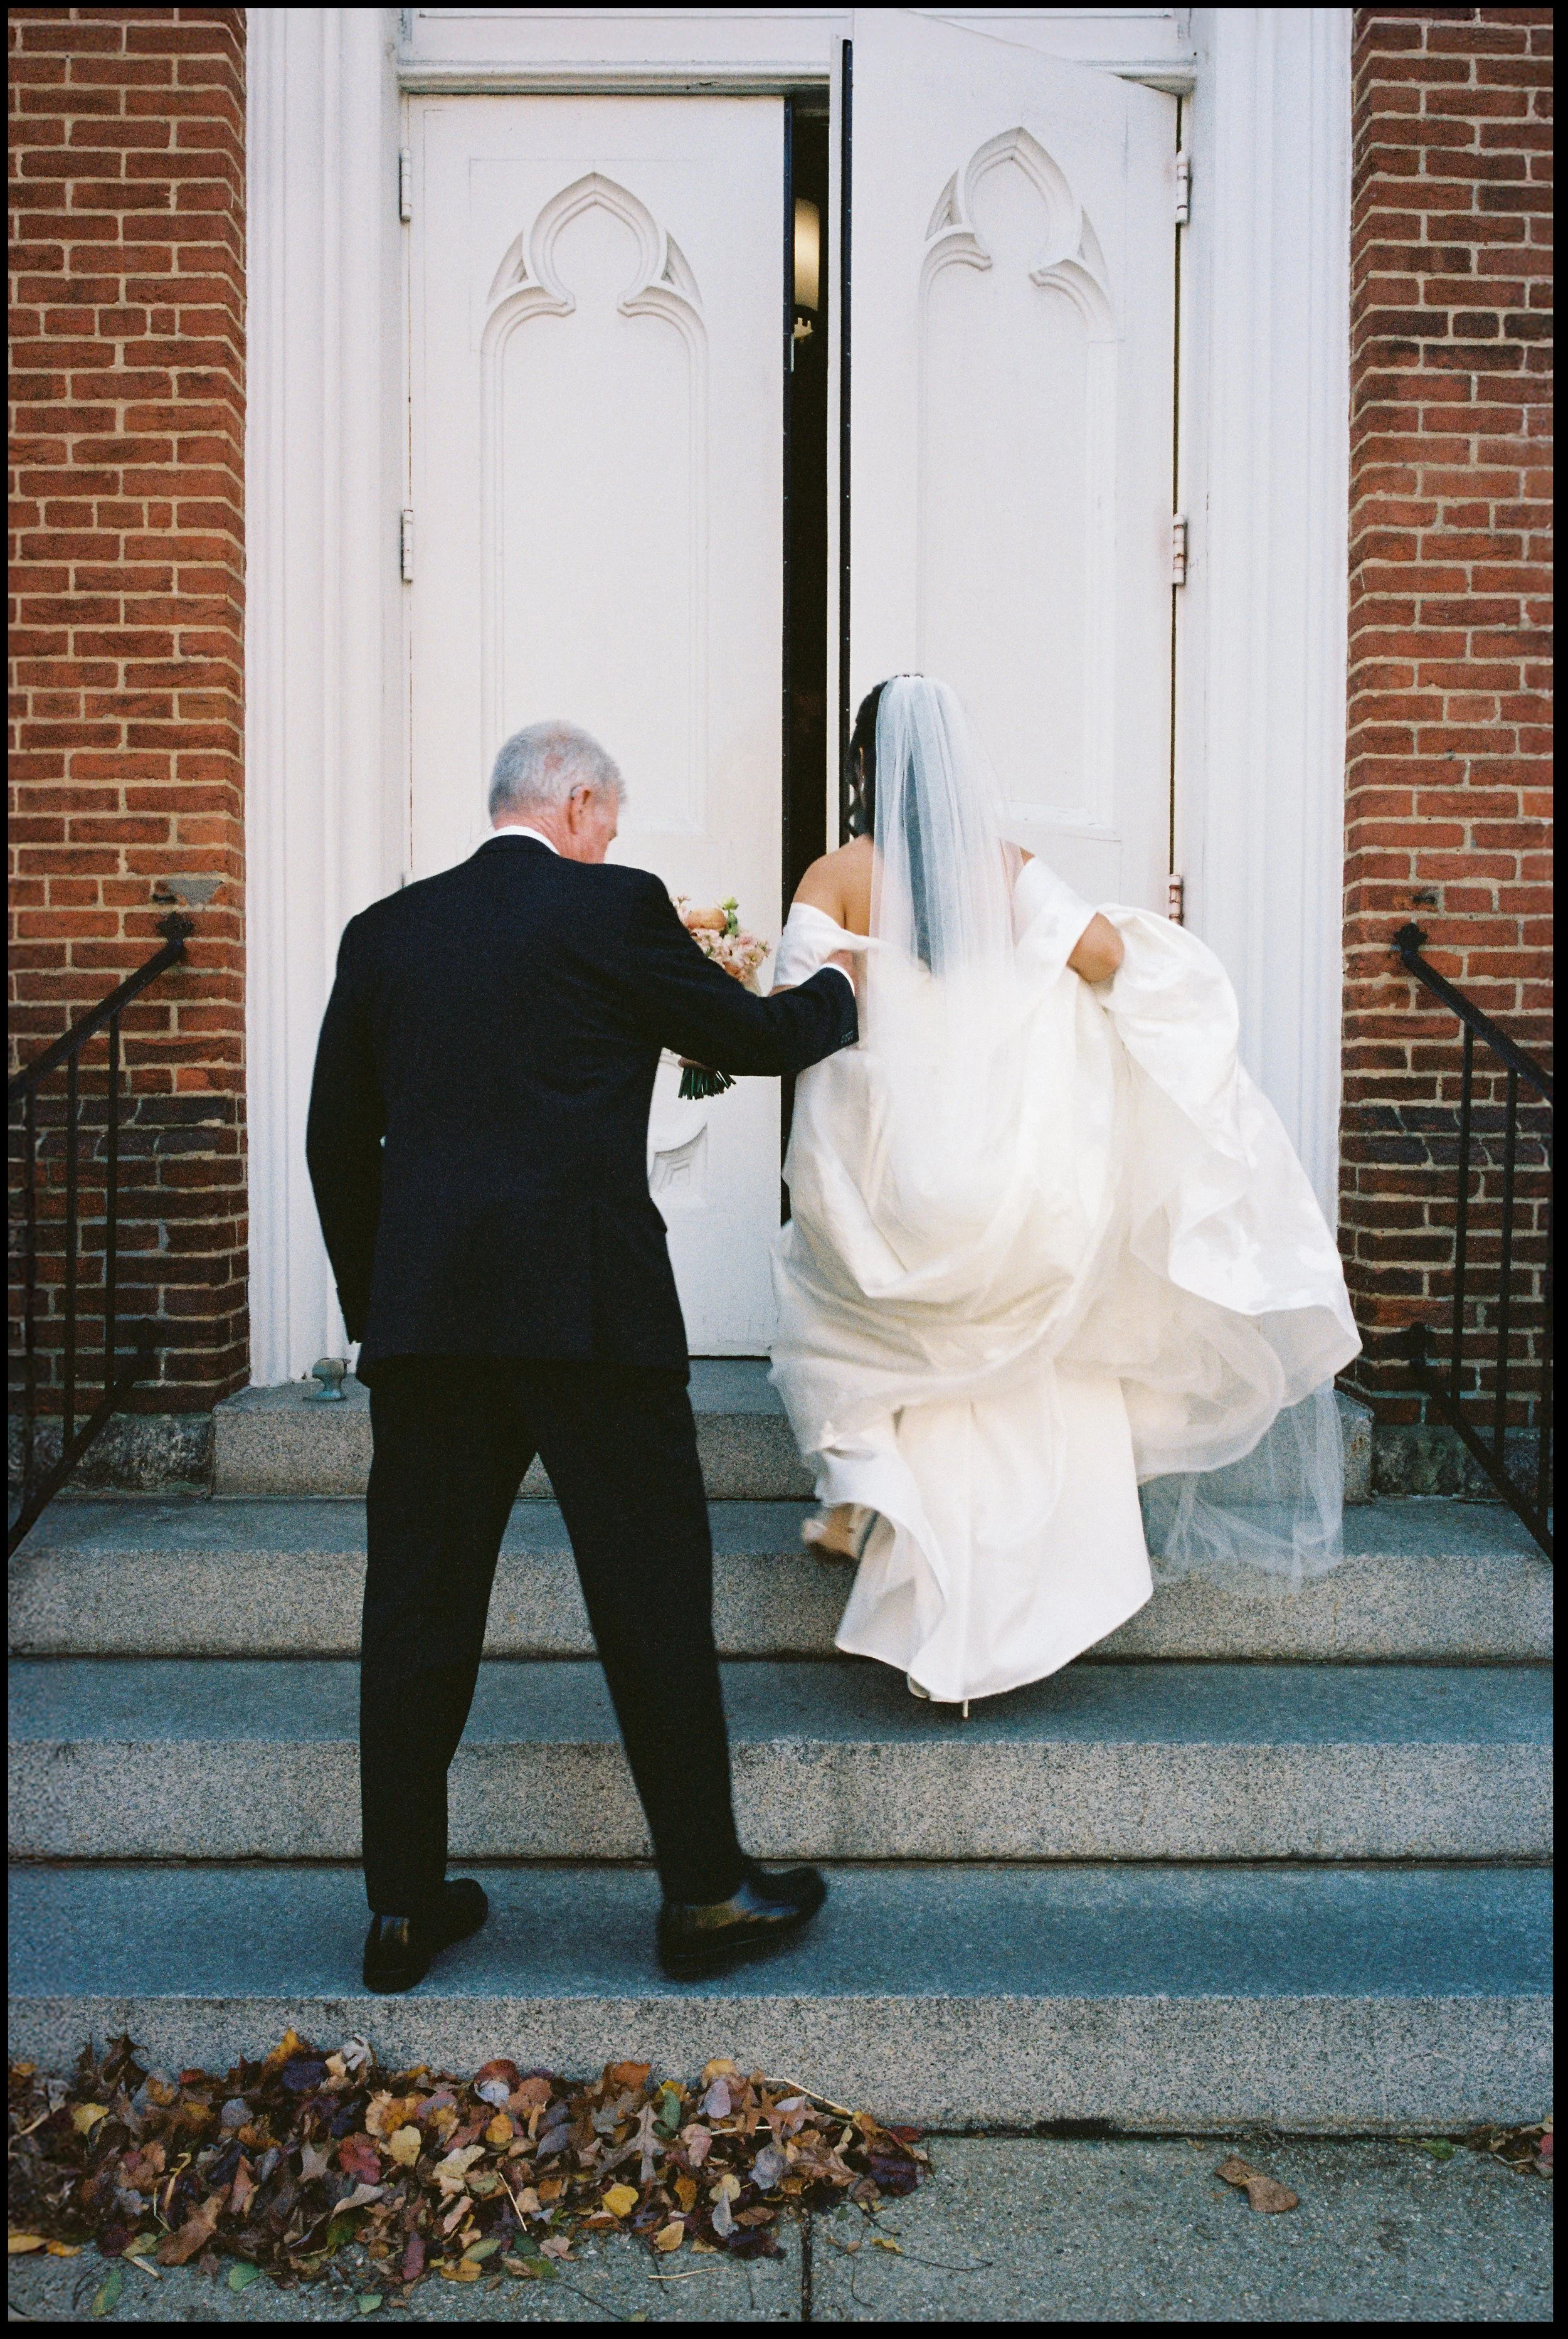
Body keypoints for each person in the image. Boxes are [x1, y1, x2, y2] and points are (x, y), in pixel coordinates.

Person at [306, 720, 859, 1992]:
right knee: (648, 1595)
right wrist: (838, 995)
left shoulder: (383, 934)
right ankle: (706, 1895)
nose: (611, 835)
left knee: (415, 1608)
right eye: (608, 815)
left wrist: (375, 1308)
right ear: (574, 800)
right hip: (591, 1318)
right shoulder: (614, 909)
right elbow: (754, 1037)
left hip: (432, 1327)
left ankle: (398, 1911)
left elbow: (336, 1143)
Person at [770, 676, 1360, 1710]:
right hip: (1002, 1177)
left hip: (897, 1177)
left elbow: (793, 1010)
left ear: (866, 768)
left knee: (860, 1331)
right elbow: (1109, 959)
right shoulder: (1005, 870)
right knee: (1021, 1373)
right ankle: (1011, 1602)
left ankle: (869, 1492)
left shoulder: (840, 874)